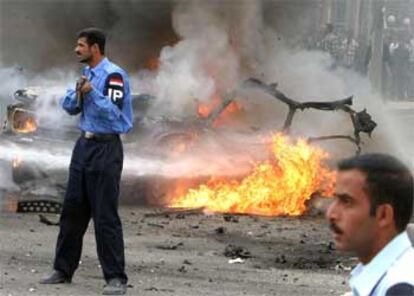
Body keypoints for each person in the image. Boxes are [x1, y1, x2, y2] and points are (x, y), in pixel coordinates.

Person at [40, 27, 133, 295]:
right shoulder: (87, 75)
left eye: (81, 45)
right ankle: (62, 270)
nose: (76, 49)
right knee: (72, 211)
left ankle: (115, 278)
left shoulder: (114, 75)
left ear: (95, 48)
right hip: (83, 147)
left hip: (106, 149)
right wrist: (79, 93)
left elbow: (116, 116)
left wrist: (92, 93)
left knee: (105, 216)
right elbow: (69, 107)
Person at [326, 153, 414, 296]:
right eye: (335, 200)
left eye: (347, 202)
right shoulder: (377, 278)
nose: (331, 213)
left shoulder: (400, 287)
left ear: (383, 215)